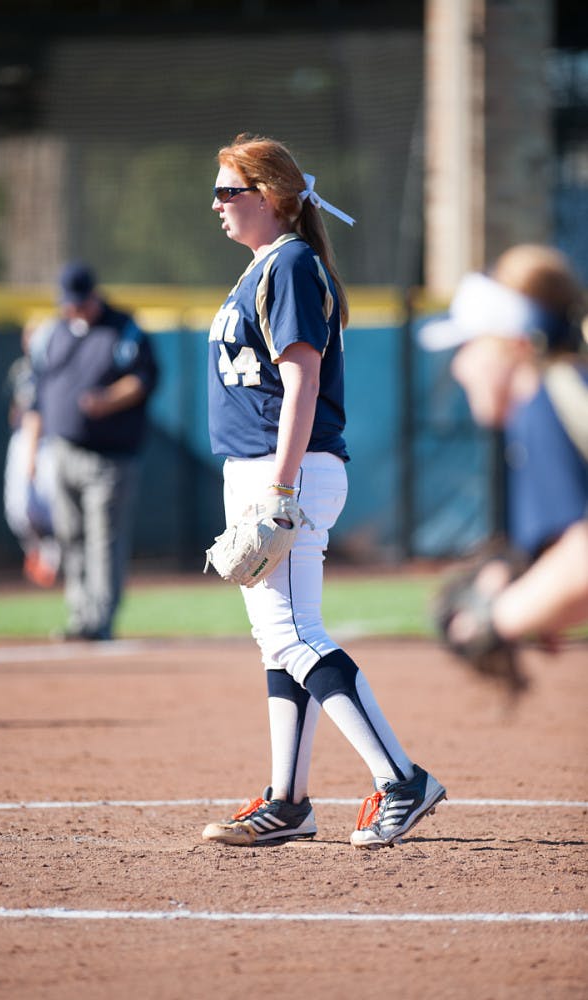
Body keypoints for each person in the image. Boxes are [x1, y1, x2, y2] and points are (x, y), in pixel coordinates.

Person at [201, 133, 446, 849]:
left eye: (228, 191)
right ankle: (289, 800)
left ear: (271, 198)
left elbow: (302, 379)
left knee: (292, 634)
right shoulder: (266, 267)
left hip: (288, 468)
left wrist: (279, 485)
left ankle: (401, 777)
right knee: (279, 640)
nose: (216, 205)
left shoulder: (294, 264)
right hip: (266, 468)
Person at [419, 244, 588, 651]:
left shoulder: (550, 404)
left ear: (518, 343)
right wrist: (539, 596)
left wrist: (498, 617)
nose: (460, 367)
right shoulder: (559, 393)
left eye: (470, 345)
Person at [29, 262, 158, 640]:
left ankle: (100, 619)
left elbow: (144, 379)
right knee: (69, 535)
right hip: (62, 451)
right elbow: (37, 392)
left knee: (104, 539)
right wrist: (33, 453)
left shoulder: (124, 328)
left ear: (93, 296)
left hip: (110, 458)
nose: (72, 309)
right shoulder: (53, 333)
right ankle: (80, 615)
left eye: (78, 301)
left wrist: (108, 400)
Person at [3, 316, 61, 588]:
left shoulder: (56, 368)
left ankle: (52, 559)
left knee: (51, 507)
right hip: (22, 439)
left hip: (49, 443)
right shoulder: (20, 369)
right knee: (18, 507)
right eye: (28, 334)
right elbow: (16, 410)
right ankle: (36, 552)